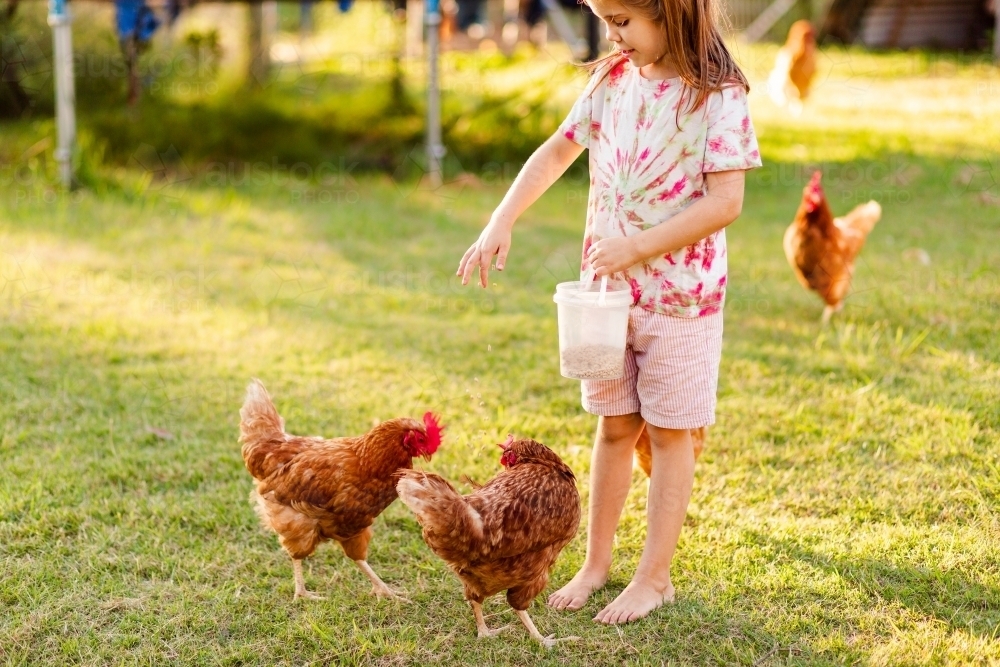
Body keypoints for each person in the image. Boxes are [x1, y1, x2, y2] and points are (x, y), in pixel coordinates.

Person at [456, 0, 761, 625]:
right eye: (604, 19)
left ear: (671, 11)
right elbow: (555, 151)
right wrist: (501, 218)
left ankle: (654, 578)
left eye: (622, 20)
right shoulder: (612, 80)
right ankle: (596, 565)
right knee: (614, 424)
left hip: (682, 297)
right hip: (605, 298)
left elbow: (726, 201)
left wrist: (637, 247)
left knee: (671, 435)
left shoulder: (717, 94)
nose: (611, 34)